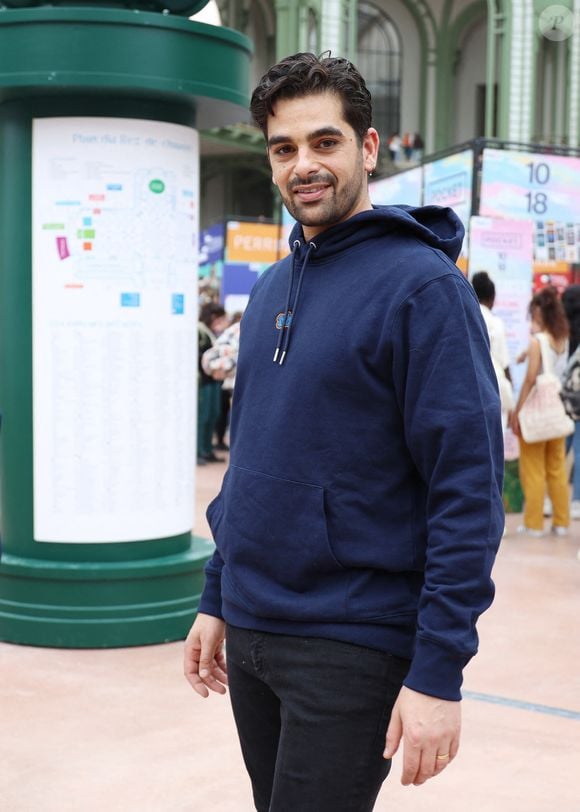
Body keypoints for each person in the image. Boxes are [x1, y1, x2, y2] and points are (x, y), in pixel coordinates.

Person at [184, 52, 504, 812]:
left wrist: (437, 672)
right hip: (255, 630)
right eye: (284, 147)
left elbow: (466, 492)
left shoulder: (425, 290)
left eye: (324, 142)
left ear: (367, 147)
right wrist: (218, 592)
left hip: (352, 641)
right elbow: (254, 456)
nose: (304, 166)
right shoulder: (269, 289)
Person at [510, 286, 570, 537]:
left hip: (536, 412)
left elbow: (530, 379)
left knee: (532, 468)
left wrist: (517, 411)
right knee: (556, 468)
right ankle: (561, 522)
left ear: (539, 314)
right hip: (556, 410)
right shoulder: (561, 339)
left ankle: (534, 523)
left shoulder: (537, 342)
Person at [471, 270, 514, 427]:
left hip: (469, 387)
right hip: (493, 386)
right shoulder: (496, 323)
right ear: (492, 298)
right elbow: (504, 363)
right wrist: (512, 401)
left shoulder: (465, 316)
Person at [197, 302, 228, 465]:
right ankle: (199, 450)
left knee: (212, 415)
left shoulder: (210, 332)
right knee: (203, 417)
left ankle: (207, 449)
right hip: (204, 381)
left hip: (214, 380)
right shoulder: (200, 330)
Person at [561, 284, 580, 520]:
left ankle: (548, 500)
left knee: (558, 449)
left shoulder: (561, 330)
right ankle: (577, 501)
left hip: (563, 399)